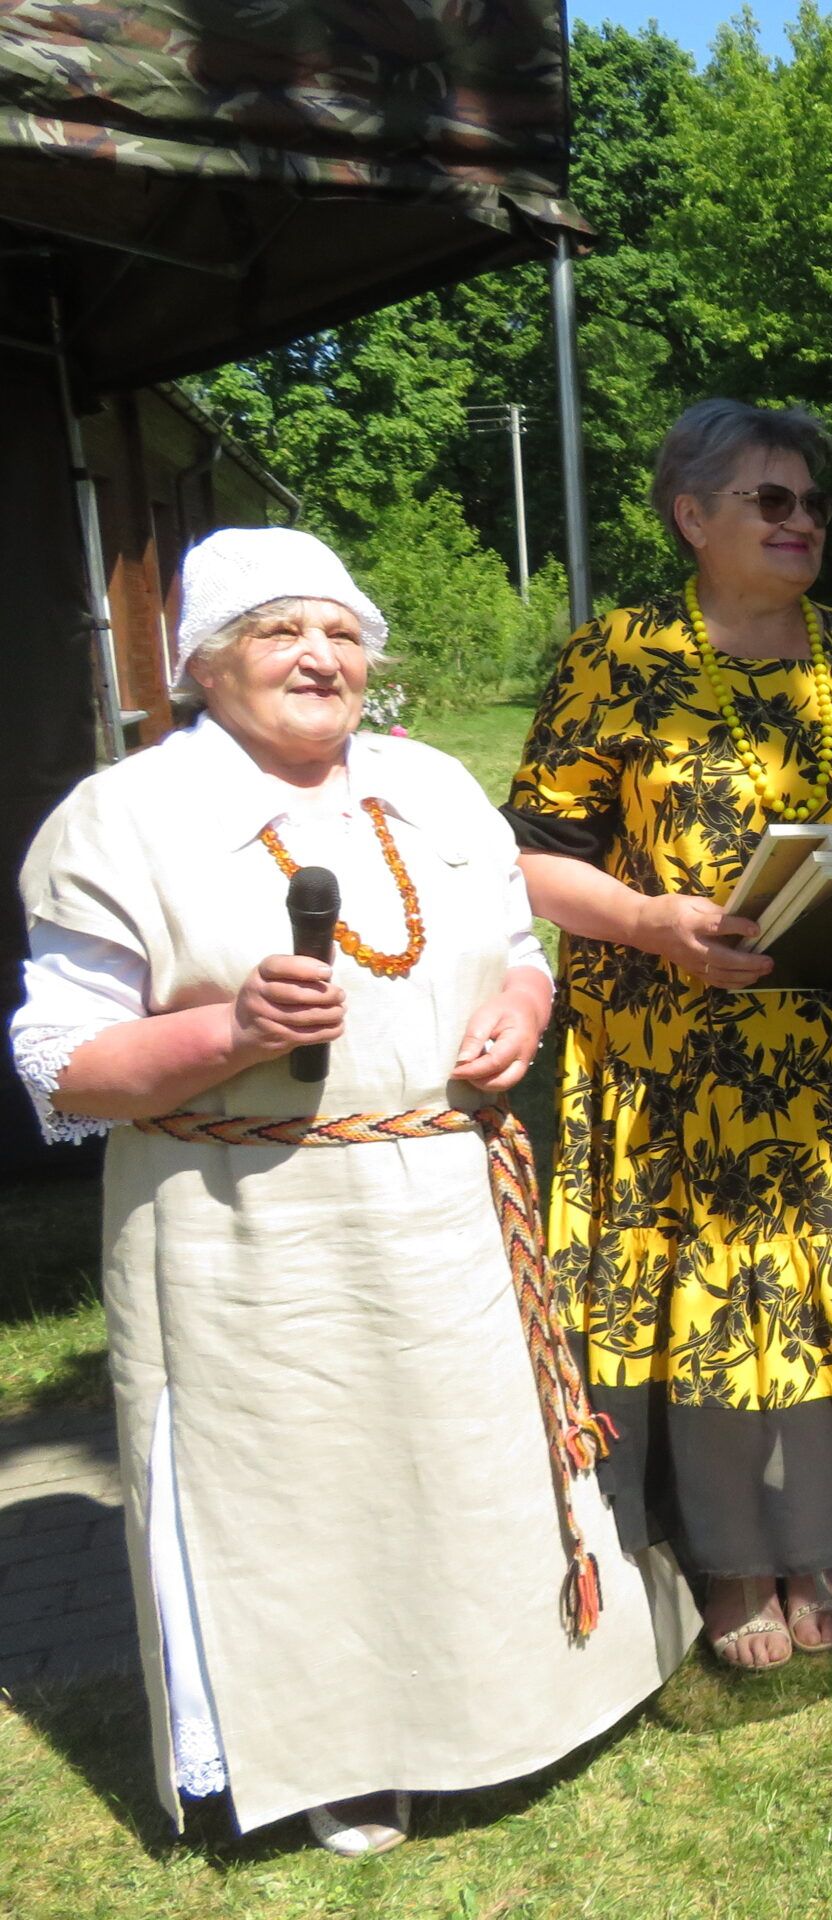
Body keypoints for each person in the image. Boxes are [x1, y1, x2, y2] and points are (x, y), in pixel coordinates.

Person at [9, 527, 692, 1854]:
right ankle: (338, 1752)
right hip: (246, 1227)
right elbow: (65, 1068)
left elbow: (515, 943)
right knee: (303, 1496)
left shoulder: (431, 785)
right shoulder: (122, 819)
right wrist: (229, 1034)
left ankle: (520, 1703)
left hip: (446, 1205)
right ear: (207, 663)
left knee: (468, 1461)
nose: (319, 656)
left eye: (341, 632)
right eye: (279, 631)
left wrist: (524, 1007)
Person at [507, 399, 832, 1672]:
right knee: (719, 1302)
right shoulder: (616, 659)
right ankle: (737, 1555)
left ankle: (820, 1536)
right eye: (772, 499)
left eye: (814, 504)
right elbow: (530, 856)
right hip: (685, 1066)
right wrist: (651, 921)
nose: (803, 522)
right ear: (691, 517)